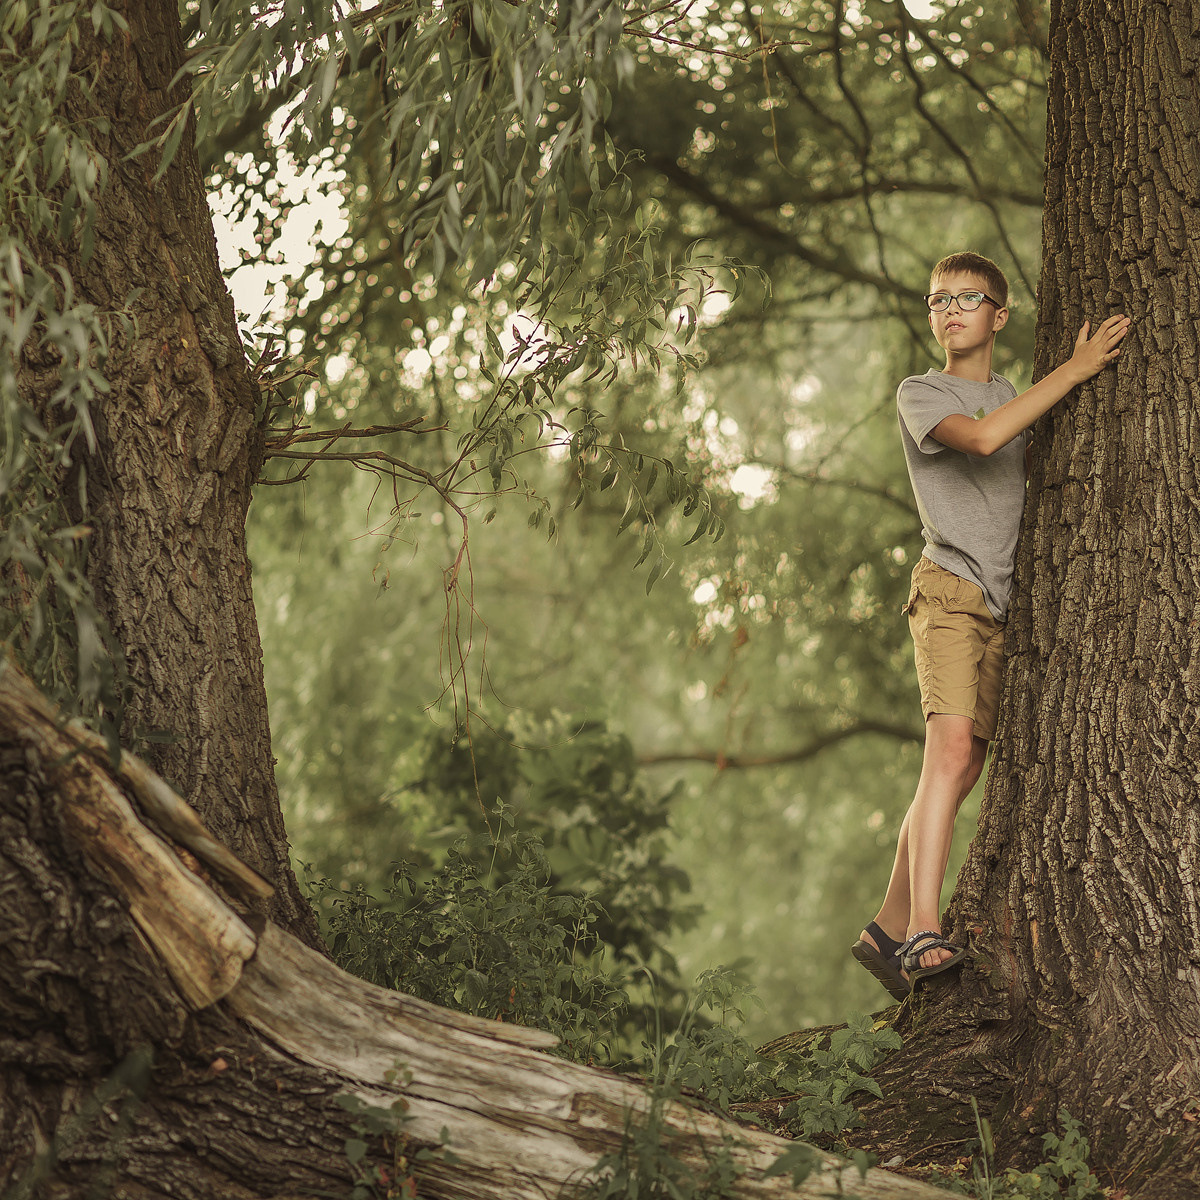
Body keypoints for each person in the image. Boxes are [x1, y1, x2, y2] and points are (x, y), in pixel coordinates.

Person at [852, 251, 1131, 997]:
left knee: (968, 764)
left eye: (966, 298)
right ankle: (921, 930)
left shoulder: (1009, 392)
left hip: (1003, 602)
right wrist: (1075, 370)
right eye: (938, 299)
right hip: (949, 590)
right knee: (947, 756)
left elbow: (1019, 449)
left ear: (999, 316)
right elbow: (980, 440)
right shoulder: (922, 392)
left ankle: (884, 927)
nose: (949, 309)